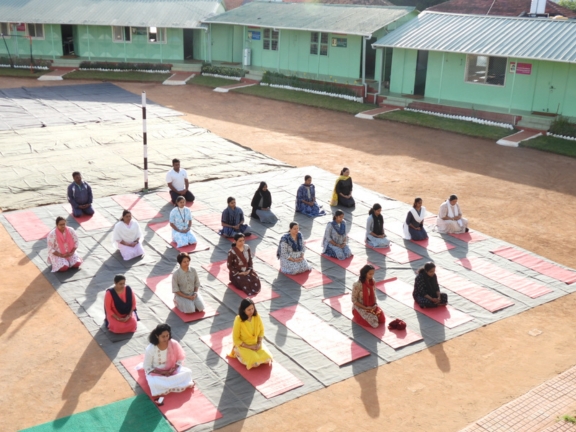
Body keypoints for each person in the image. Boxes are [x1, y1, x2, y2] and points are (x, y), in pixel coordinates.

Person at [143, 323, 194, 400]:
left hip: (172, 369)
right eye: (163, 336)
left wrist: (173, 369)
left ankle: (170, 383)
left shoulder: (173, 343)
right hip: (157, 372)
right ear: (157, 336)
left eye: (167, 335)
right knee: (153, 383)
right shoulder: (150, 348)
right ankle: (175, 383)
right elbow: (147, 366)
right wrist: (162, 373)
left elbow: (180, 358)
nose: (166, 338)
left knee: (188, 372)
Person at [229, 298, 273, 370]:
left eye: (252, 308)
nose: (251, 311)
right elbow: (236, 339)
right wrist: (250, 347)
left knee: (268, 359)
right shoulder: (238, 320)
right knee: (255, 363)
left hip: (256, 344)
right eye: (249, 310)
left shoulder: (257, 316)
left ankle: (255, 353)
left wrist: (259, 343)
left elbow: (261, 330)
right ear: (243, 310)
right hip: (244, 346)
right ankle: (237, 352)